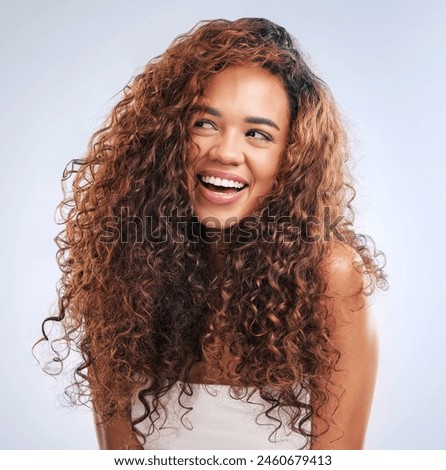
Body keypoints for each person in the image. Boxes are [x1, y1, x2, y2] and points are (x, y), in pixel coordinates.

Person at [35, 17, 388, 450]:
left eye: (257, 133)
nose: (224, 151)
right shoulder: (122, 269)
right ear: (167, 137)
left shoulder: (330, 275)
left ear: (290, 158)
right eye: (204, 123)